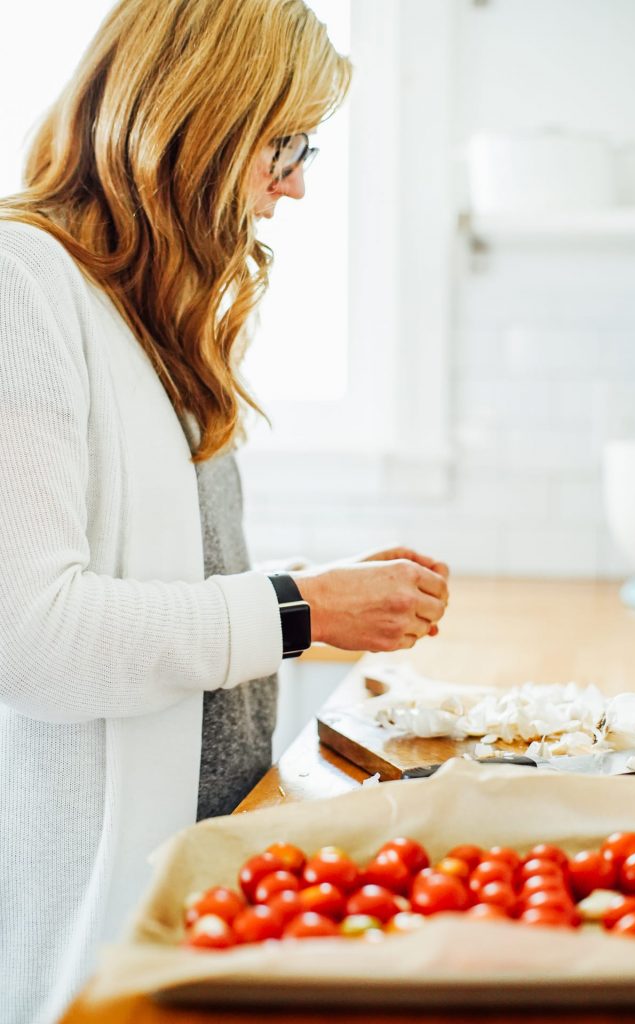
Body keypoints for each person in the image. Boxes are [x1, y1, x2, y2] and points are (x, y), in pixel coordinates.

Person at [0, 1, 449, 1020]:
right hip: (90, 918)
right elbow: (28, 638)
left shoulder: (132, 307)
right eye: (282, 142)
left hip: (190, 868)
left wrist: (318, 590)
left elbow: (153, 583)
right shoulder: (18, 281)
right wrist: (300, 608)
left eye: (306, 148)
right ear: (195, 114)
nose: (292, 182)